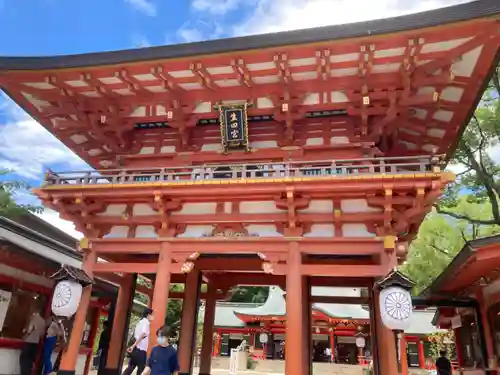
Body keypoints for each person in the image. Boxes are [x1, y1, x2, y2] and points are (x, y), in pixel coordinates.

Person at [123, 308, 153, 375]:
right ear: (148, 315)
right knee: (141, 370)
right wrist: (133, 345)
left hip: (136, 349)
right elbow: (143, 334)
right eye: (152, 314)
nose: (152, 316)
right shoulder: (146, 322)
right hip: (141, 350)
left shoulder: (140, 322)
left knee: (131, 367)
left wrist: (133, 346)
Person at [19, 310, 46, 375]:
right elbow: (42, 334)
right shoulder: (43, 321)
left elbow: (29, 330)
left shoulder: (33, 319)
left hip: (28, 342)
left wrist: (24, 335)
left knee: (24, 361)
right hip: (35, 344)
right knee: (30, 361)